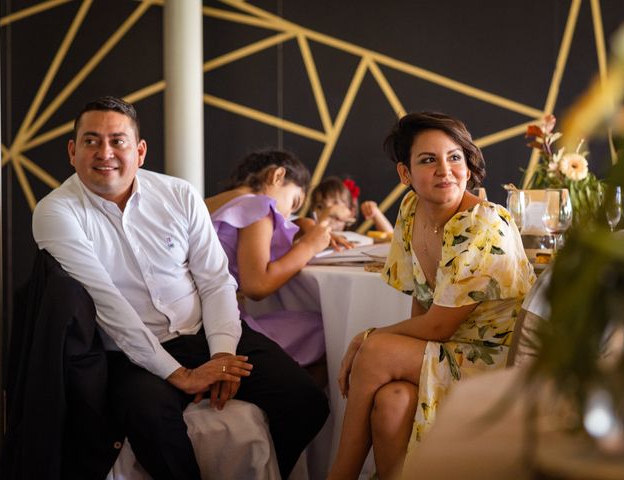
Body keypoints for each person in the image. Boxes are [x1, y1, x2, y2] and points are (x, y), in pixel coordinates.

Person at [32, 96, 329, 480]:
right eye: (91, 141)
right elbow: (108, 306)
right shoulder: (56, 211)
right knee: (150, 420)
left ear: (139, 151)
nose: (105, 152)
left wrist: (222, 355)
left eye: (117, 140)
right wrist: (180, 375)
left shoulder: (179, 194)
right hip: (130, 353)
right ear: (73, 152)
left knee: (305, 401)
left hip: (204, 332)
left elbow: (216, 280)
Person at [327, 111, 536, 479]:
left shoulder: (485, 224)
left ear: (468, 167)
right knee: (392, 401)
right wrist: (389, 349)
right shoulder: (411, 211)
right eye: (428, 160)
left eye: (455, 157)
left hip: (498, 361)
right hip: (446, 349)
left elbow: (437, 327)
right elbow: (421, 304)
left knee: (375, 350)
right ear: (405, 174)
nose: (445, 169)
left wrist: (368, 339)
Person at [206, 150, 331, 370]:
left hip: (196, 326)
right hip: (222, 336)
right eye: (294, 202)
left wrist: (302, 225)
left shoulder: (209, 204)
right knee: (324, 329)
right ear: (277, 176)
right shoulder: (259, 206)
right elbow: (257, 284)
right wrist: (310, 245)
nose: (286, 216)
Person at [310, 176, 394, 233]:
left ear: (351, 212)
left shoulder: (355, 241)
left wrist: (376, 214)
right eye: (320, 206)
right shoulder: (307, 238)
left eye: (335, 204)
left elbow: (393, 242)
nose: (329, 210)